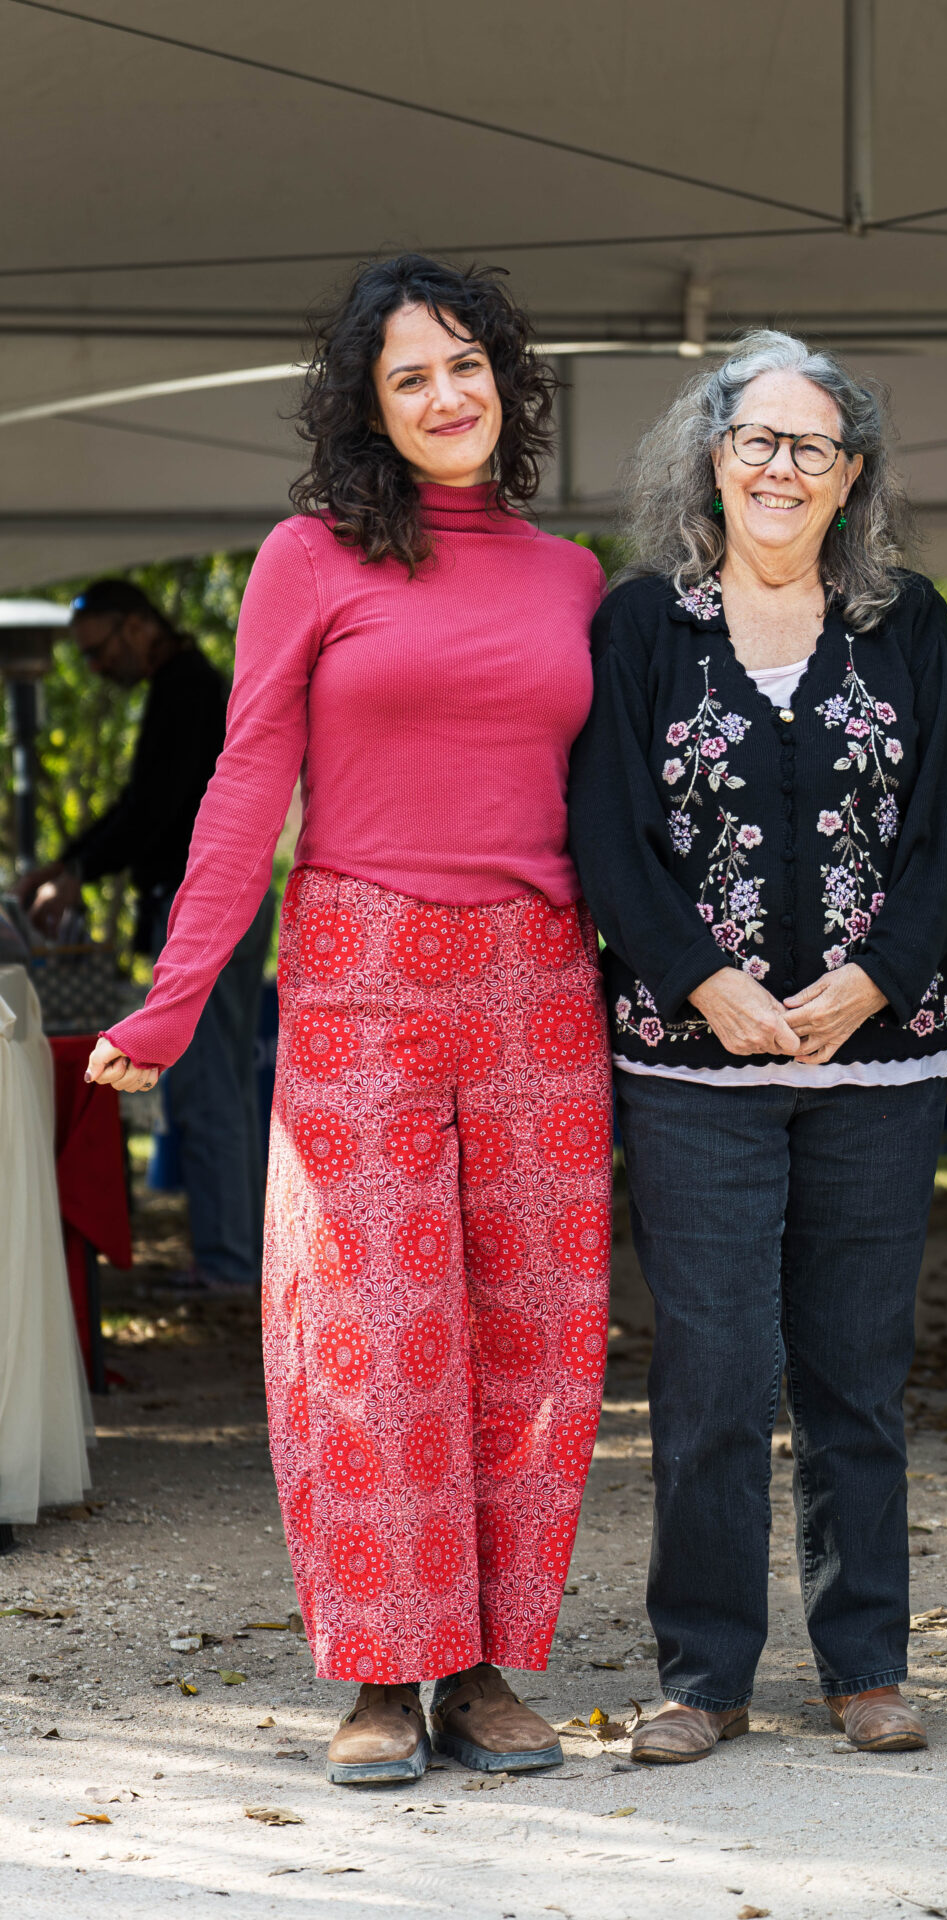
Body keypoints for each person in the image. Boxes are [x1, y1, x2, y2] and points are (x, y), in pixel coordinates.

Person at [83, 254, 612, 1787]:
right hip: (360, 970)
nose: (446, 395)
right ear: (367, 411)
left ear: (505, 379)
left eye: (466, 365)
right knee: (370, 1336)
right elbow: (247, 781)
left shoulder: (571, 574)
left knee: (536, 1333)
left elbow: (612, 806)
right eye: (409, 377)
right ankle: (382, 1672)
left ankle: (488, 1668)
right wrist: (177, 998)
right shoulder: (310, 558)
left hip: (537, 976)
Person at [569, 331, 947, 1764]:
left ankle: (867, 1662)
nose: (782, 466)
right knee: (713, 1377)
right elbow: (605, 836)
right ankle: (704, 1674)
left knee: (857, 1373)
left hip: (881, 1063)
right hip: (695, 1073)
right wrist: (703, 984)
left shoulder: (908, 624)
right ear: (711, 455)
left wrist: (875, 980)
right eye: (757, 439)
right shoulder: (641, 628)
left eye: (813, 446)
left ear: (852, 474)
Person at [17, 578, 273, 1291]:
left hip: (204, 903)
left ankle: (227, 1264)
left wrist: (79, 870)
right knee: (229, 1088)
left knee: (206, 1090)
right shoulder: (188, 682)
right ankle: (243, 1257)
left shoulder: (186, 685)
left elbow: (154, 810)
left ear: (135, 627)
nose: (97, 670)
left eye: (99, 652)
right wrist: (71, 862)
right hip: (234, 900)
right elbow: (142, 803)